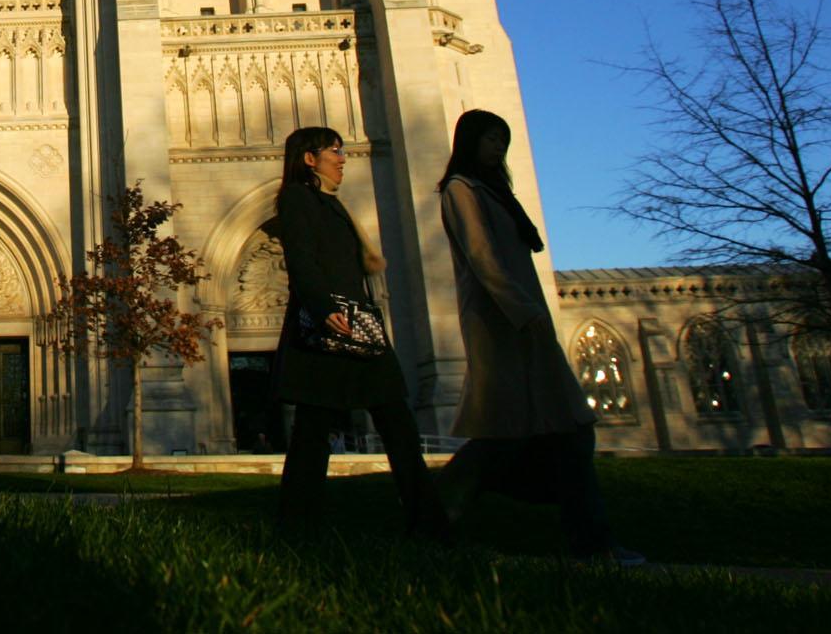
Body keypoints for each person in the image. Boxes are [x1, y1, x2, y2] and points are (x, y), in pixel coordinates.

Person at [435, 108, 640, 564]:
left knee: (559, 433)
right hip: (503, 325)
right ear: (469, 142)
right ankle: (437, 520)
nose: (498, 148)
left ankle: (589, 538)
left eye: (502, 140)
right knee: (519, 438)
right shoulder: (460, 190)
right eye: (490, 138)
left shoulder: (497, 193)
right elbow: (483, 259)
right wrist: (524, 313)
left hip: (527, 324)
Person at [273, 125, 449, 538]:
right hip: (330, 328)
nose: (343, 157)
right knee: (312, 435)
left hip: (358, 329)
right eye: (334, 150)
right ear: (309, 159)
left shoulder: (333, 203)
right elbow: (301, 259)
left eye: (343, 149)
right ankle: (297, 527)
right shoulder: (298, 199)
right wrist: (322, 307)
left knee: (397, 427)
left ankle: (430, 523)